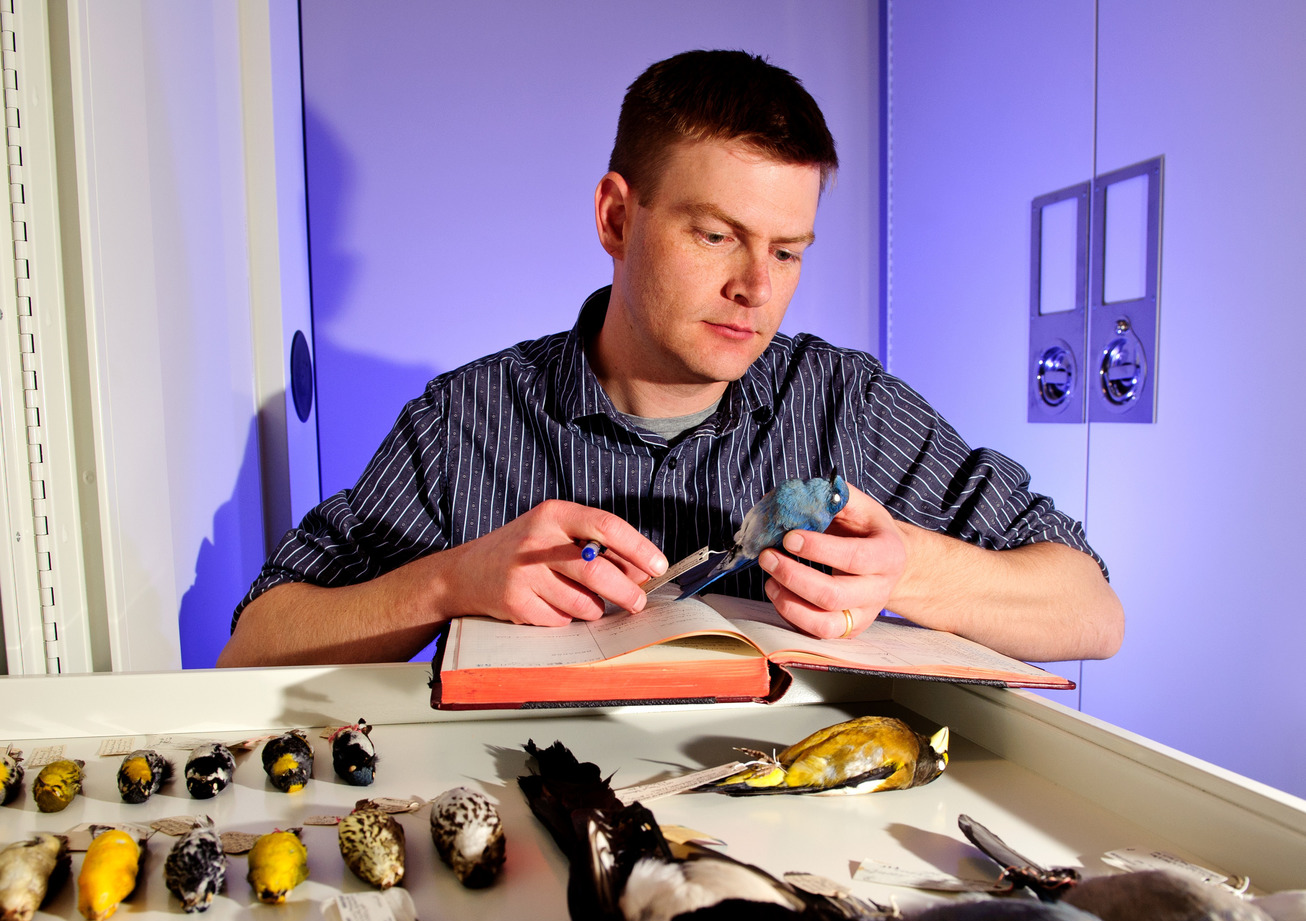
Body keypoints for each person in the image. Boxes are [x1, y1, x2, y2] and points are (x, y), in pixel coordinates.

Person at [219, 50, 1123, 669]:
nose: (756, 287)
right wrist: (452, 580)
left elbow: (1091, 611)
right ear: (617, 218)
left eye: (789, 249)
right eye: (718, 235)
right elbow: (254, 646)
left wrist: (909, 570)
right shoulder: (468, 419)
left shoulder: (844, 402)